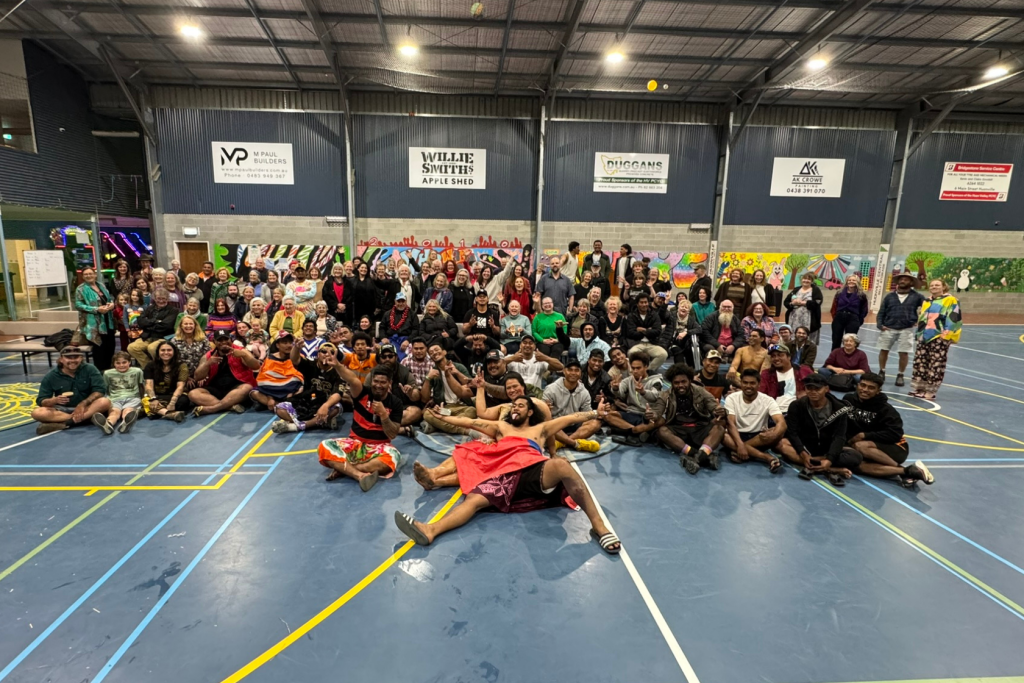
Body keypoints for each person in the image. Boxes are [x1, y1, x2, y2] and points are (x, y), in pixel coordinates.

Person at [397, 396, 621, 554]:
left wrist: (595, 413)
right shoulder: (501, 428)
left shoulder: (540, 429)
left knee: (561, 465)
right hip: (503, 476)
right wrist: (442, 415)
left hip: (533, 471)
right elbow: (469, 421)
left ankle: (599, 526)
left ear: (530, 412)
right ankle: (431, 530)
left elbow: (572, 418)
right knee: (474, 499)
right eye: (514, 405)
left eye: (521, 405)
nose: (515, 408)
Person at [316, 365, 406, 492]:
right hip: (355, 444)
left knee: (394, 456)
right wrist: (336, 364)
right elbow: (352, 379)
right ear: (371, 381)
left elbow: (392, 434)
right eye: (376, 381)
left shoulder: (396, 403)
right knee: (324, 446)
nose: (378, 385)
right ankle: (359, 475)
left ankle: (345, 469)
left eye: (383, 382)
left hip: (379, 447)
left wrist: (383, 415)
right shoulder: (361, 392)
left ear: (389, 383)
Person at [844, 372, 934, 486]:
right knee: (857, 465)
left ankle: (901, 468)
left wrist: (864, 435)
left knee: (860, 446)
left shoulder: (886, 410)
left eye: (871, 388)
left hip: (895, 447)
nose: (865, 390)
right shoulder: (848, 400)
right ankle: (906, 472)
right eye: (863, 385)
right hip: (868, 446)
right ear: (858, 385)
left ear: (878, 391)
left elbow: (895, 434)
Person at [777, 373, 860, 486]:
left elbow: (839, 437)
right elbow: (792, 432)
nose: (813, 392)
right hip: (805, 446)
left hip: (827, 448)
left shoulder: (840, 409)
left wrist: (830, 459)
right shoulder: (796, 405)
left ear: (826, 389)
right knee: (781, 444)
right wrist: (803, 453)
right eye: (809, 388)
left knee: (855, 457)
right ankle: (830, 469)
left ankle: (816, 465)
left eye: (817, 389)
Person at [657, 363, 726, 475]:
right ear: (672, 383)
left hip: (699, 428)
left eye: (683, 382)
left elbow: (714, 405)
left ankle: (696, 457)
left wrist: (720, 411)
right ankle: (700, 454)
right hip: (678, 430)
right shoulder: (665, 395)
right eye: (676, 383)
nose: (680, 385)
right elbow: (657, 411)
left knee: (719, 428)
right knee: (661, 431)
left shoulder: (701, 391)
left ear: (689, 380)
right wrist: (649, 415)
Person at [32, 346, 113, 435]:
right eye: (68, 357)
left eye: (76, 357)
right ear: (61, 359)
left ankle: (67, 423)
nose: (73, 360)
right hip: (63, 410)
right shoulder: (51, 376)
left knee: (104, 402)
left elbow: (100, 390)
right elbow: (41, 400)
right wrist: (53, 400)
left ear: (81, 358)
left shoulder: (90, 369)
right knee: (37, 413)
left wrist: (82, 404)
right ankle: (86, 419)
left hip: (87, 407)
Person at [271, 340, 344, 433]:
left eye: (332, 352)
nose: (327, 354)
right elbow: (294, 360)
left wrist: (325, 405)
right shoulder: (310, 365)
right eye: (324, 351)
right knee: (279, 408)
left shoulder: (340, 371)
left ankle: (297, 426)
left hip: (325, 402)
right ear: (318, 354)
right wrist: (297, 348)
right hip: (306, 401)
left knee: (337, 408)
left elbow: (337, 394)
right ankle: (318, 423)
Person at [723, 368, 786, 473]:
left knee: (777, 431)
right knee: (723, 434)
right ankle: (766, 457)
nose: (748, 386)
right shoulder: (731, 398)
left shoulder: (768, 400)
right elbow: (731, 424)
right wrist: (740, 444)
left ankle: (738, 451)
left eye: (752, 383)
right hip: (737, 436)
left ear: (759, 384)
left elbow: (781, 422)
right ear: (741, 383)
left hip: (758, 437)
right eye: (745, 383)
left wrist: (774, 434)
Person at [910, 278, 962, 400]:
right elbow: (923, 318)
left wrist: (947, 335)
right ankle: (920, 388)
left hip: (939, 337)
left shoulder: (951, 300)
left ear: (943, 287)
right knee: (920, 363)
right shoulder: (926, 301)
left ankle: (930, 391)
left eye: (937, 285)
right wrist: (919, 334)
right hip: (924, 336)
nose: (934, 287)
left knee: (936, 364)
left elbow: (954, 318)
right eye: (932, 285)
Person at [188, 331, 260, 416]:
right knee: (193, 394)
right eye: (220, 340)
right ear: (214, 342)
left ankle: (211, 409)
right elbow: (197, 377)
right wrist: (207, 364)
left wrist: (244, 355)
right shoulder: (208, 356)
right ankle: (228, 406)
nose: (223, 342)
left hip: (237, 387)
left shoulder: (241, 351)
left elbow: (256, 366)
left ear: (231, 339)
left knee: (247, 388)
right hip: (216, 388)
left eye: (226, 339)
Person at [606, 350, 666, 446]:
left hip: (647, 416)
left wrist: (643, 392)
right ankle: (636, 431)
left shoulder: (656, 381)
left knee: (660, 421)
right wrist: (616, 388)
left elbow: (655, 396)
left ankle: (626, 430)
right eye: (633, 368)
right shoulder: (628, 380)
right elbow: (620, 393)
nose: (635, 371)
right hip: (632, 413)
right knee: (608, 415)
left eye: (638, 368)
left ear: (646, 367)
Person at [875, 273, 926, 386]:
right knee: (884, 350)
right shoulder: (889, 296)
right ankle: (882, 371)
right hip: (888, 328)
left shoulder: (917, 296)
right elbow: (881, 312)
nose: (903, 281)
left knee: (904, 353)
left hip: (906, 329)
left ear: (911, 283)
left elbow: (928, 308)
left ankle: (900, 374)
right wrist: (880, 325)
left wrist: (920, 320)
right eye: (901, 279)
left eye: (906, 279)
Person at [543, 357, 602, 451]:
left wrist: (597, 413)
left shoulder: (584, 392)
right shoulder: (551, 389)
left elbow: (588, 415)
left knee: (595, 423)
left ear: (580, 373)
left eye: (576, 370)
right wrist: (546, 410)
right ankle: (574, 443)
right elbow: (543, 416)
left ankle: (561, 442)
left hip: (574, 426)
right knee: (546, 424)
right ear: (564, 371)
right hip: (556, 425)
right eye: (570, 370)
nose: (573, 373)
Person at [74, 266, 116, 370]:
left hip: (107, 321)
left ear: (95, 274)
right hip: (94, 324)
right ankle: (100, 372)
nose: (89, 276)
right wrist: (96, 309)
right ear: (83, 277)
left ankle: (109, 371)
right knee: (100, 350)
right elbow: (78, 305)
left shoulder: (101, 285)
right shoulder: (81, 289)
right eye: (86, 274)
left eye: (90, 273)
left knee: (110, 347)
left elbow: (109, 299)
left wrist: (111, 304)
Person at [96, 350, 144, 435]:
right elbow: (105, 388)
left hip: (133, 397)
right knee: (114, 413)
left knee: (127, 411)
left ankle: (125, 423)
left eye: (124, 362)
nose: (121, 365)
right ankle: (108, 425)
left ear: (129, 362)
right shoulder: (107, 373)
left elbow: (141, 386)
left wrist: (143, 398)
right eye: (118, 363)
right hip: (114, 398)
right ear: (114, 364)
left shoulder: (137, 371)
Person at [127, 289, 178, 368]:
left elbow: (166, 326)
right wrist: (156, 321)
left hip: (162, 337)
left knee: (152, 348)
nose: (161, 301)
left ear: (167, 299)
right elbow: (140, 321)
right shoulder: (150, 308)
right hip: (147, 336)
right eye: (158, 298)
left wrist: (148, 323)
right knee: (131, 348)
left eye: (163, 298)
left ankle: (163, 367)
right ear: (154, 298)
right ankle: (149, 367)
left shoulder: (173, 310)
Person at [143, 340, 190, 422]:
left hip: (174, 395)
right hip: (157, 395)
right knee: (146, 400)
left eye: (169, 350)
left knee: (183, 402)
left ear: (174, 352)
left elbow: (180, 386)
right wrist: (153, 399)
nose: (166, 353)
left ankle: (154, 411)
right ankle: (170, 414)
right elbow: (148, 385)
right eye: (163, 350)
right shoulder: (150, 365)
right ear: (158, 352)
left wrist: (172, 402)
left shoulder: (182, 366)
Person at [759, 343, 810, 414]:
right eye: (773, 356)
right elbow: (761, 395)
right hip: (774, 412)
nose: (776, 358)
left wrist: (807, 393)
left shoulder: (804, 371)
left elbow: (820, 388)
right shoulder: (766, 374)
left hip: (799, 411)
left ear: (789, 357)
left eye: (780, 355)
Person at [624, 292, 668, 371]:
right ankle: (634, 373)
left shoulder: (654, 315)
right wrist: (649, 330)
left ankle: (648, 371)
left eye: (646, 302)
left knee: (663, 354)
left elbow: (657, 331)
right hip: (637, 343)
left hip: (652, 343)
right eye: (641, 302)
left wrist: (642, 330)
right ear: (637, 304)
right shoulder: (631, 315)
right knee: (631, 353)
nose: (644, 304)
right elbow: (630, 333)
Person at [830, 274, 869, 350]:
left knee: (850, 342)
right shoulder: (839, 293)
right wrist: (836, 317)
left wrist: (858, 321)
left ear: (857, 282)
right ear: (846, 281)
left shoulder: (861, 295)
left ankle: (848, 360)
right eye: (849, 280)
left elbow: (864, 310)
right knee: (836, 341)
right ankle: (834, 359)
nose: (851, 281)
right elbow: (834, 307)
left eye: (853, 280)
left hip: (853, 319)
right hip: (839, 319)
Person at [784, 273, 824, 345]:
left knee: (808, 341)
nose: (806, 280)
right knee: (794, 339)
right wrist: (792, 303)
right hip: (794, 320)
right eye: (804, 279)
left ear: (812, 281)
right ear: (801, 280)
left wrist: (802, 303)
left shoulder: (815, 290)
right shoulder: (796, 289)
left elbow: (817, 303)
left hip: (809, 320)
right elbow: (786, 302)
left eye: (808, 279)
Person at [171, 314, 211, 380]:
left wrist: (203, 375)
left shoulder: (203, 339)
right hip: (181, 374)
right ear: (181, 326)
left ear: (195, 326)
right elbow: (174, 361)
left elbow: (208, 357)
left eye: (191, 324)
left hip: (201, 373)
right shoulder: (174, 340)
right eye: (185, 324)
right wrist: (186, 377)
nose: (188, 326)